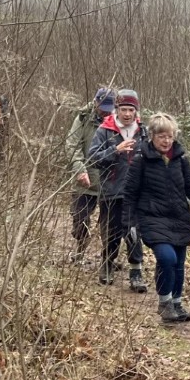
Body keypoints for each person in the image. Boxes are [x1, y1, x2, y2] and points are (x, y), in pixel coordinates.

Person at [122, 113, 190, 323]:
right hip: (152, 218)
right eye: (162, 136)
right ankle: (165, 303)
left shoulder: (181, 160)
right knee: (167, 258)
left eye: (170, 136)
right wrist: (129, 224)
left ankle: (177, 303)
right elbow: (130, 194)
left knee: (178, 264)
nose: (166, 141)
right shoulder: (140, 160)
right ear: (152, 136)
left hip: (179, 218)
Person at [87, 89, 148, 292]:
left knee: (133, 231)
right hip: (111, 190)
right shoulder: (104, 130)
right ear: (117, 109)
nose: (127, 114)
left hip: (136, 192)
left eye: (131, 110)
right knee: (111, 231)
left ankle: (136, 272)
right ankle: (107, 264)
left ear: (136, 111)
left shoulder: (144, 131)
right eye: (123, 109)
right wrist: (116, 150)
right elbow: (92, 158)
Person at [65, 87, 115, 262]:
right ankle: (81, 247)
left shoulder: (118, 121)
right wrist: (79, 169)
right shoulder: (82, 118)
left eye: (109, 109)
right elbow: (72, 145)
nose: (105, 112)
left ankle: (108, 259)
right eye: (102, 108)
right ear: (95, 102)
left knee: (110, 225)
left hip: (109, 181)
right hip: (85, 180)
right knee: (80, 219)